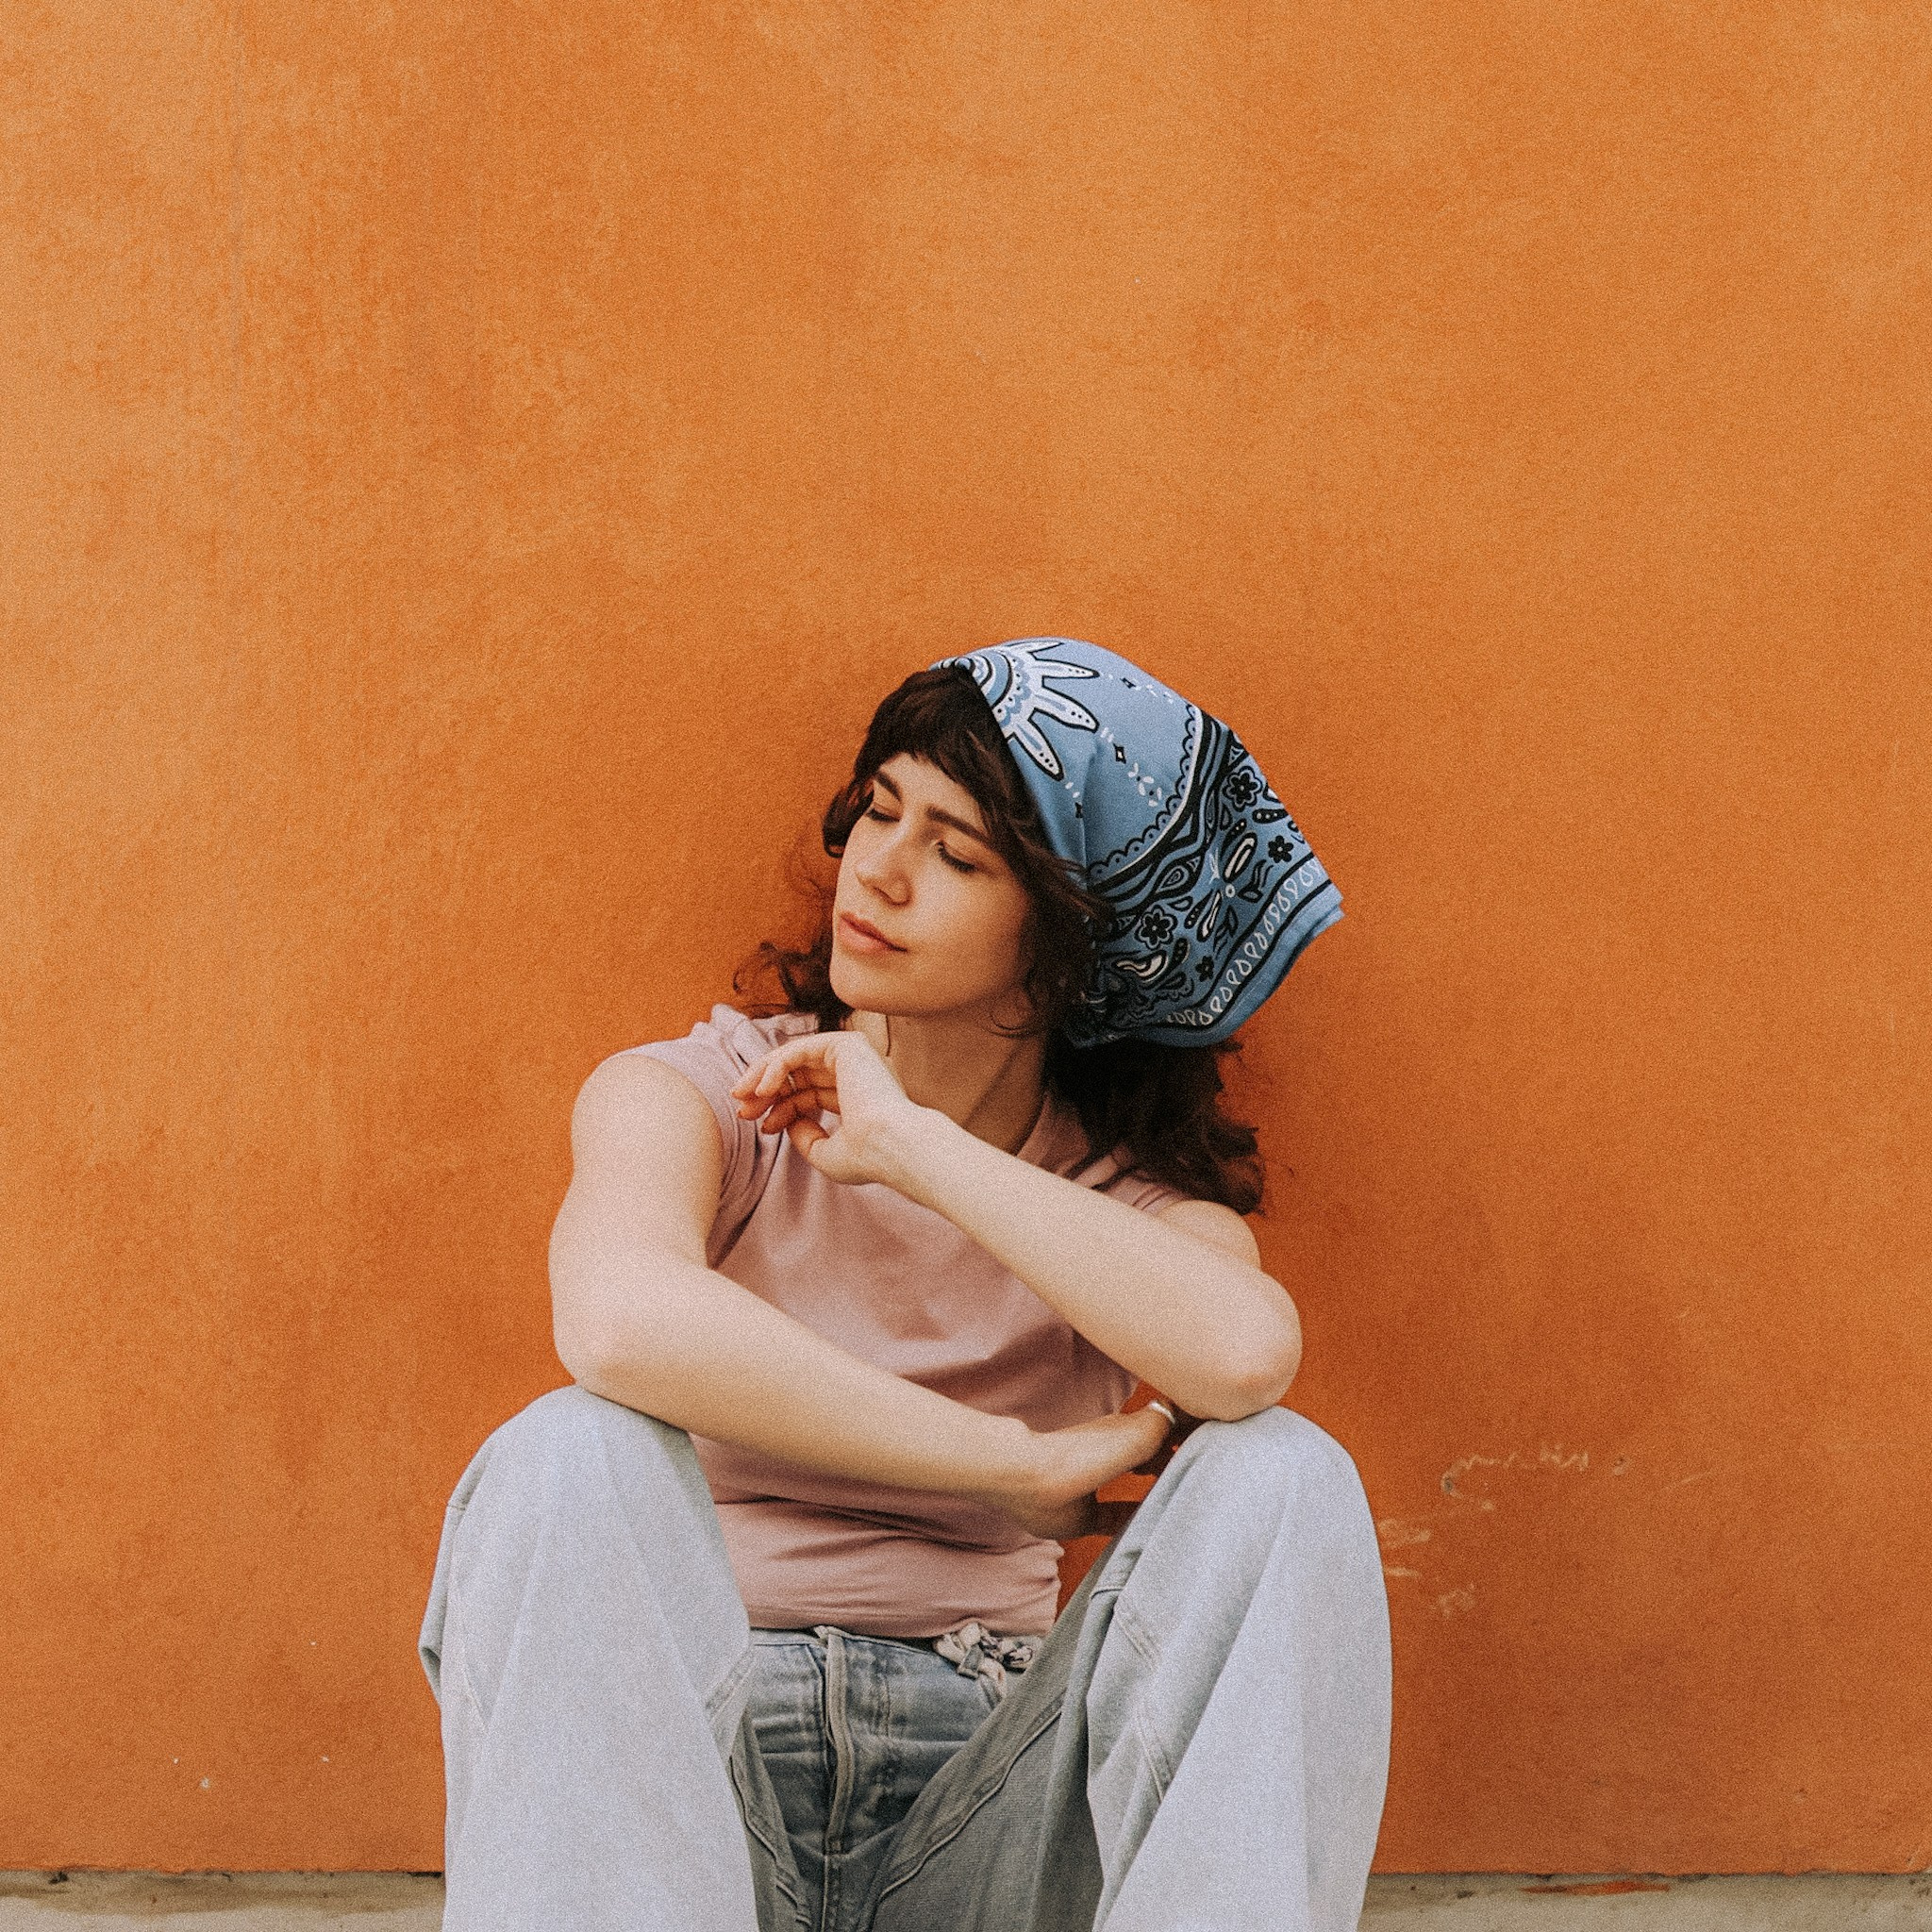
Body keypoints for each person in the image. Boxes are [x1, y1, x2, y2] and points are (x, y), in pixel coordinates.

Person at [418, 638, 1391, 1932]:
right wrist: (1005, 1463)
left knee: (1287, 1476)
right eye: (881, 810)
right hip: (690, 1807)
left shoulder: (1109, 1202)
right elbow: (619, 1318)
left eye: (959, 853)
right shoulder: (701, 1100)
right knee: (563, 1450)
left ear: (1064, 945)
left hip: (991, 1815)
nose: (877, 870)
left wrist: (916, 1148)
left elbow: (1245, 1355)